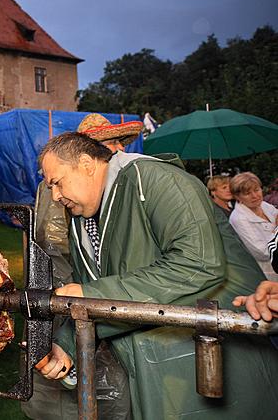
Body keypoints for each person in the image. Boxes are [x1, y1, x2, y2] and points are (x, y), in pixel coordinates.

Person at [37, 131, 278, 419]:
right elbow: (95, 289)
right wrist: (66, 345)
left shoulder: (154, 179)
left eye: (57, 182)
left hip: (216, 367)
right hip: (156, 378)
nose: (54, 195)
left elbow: (198, 262)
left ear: (87, 164)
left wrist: (92, 296)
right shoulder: (81, 220)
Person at [23, 113, 142, 420]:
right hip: (76, 292)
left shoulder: (127, 184)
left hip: (109, 298)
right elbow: (55, 247)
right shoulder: (62, 188)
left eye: (118, 142)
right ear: (89, 156)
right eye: (110, 143)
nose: (116, 150)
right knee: (87, 384)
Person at [229, 172, 278, 281]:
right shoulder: (239, 218)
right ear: (237, 197)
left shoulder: (264, 205)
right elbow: (262, 252)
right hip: (265, 273)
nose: (255, 196)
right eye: (247, 193)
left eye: (256, 190)